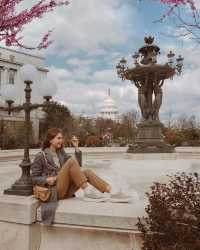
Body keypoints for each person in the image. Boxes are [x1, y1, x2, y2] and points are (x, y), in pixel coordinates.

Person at [31, 128, 131, 225]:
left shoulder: (60, 153)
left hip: (65, 189)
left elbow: (76, 167)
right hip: (54, 191)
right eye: (58, 138)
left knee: (87, 172)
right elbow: (33, 178)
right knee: (71, 161)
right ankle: (88, 191)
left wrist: (76, 148)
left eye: (61, 138)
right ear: (50, 139)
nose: (61, 140)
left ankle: (112, 192)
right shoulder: (41, 155)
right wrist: (46, 179)